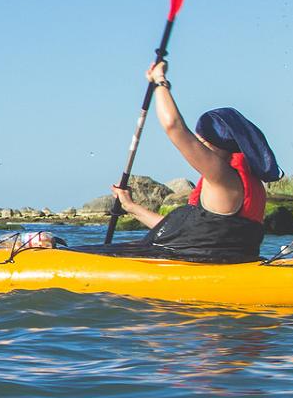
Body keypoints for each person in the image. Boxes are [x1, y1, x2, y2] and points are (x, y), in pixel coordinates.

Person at [109, 60, 283, 263]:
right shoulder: (236, 182)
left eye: (203, 140)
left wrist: (160, 81)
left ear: (220, 145)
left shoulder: (223, 180)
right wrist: (131, 207)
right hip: (211, 261)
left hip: (200, 268)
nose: (198, 144)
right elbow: (181, 235)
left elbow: (174, 127)